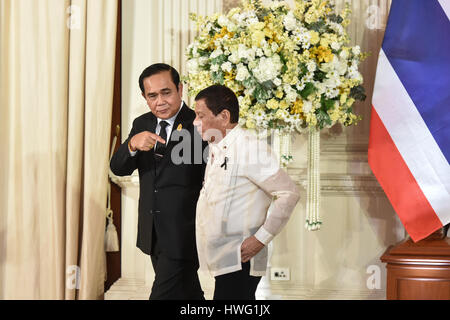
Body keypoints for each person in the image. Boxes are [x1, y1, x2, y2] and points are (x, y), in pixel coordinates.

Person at [193, 84, 300, 300]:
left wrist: (261, 239)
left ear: (224, 116)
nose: (195, 122)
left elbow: (289, 193)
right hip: (222, 257)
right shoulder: (216, 146)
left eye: (200, 115)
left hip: (241, 258)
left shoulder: (250, 148)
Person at [110, 63, 207, 300]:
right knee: (188, 294)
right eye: (152, 96)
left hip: (184, 232)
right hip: (152, 229)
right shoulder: (142, 124)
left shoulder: (199, 123)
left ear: (180, 89)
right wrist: (132, 144)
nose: (160, 101)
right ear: (145, 97)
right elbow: (118, 168)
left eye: (166, 92)